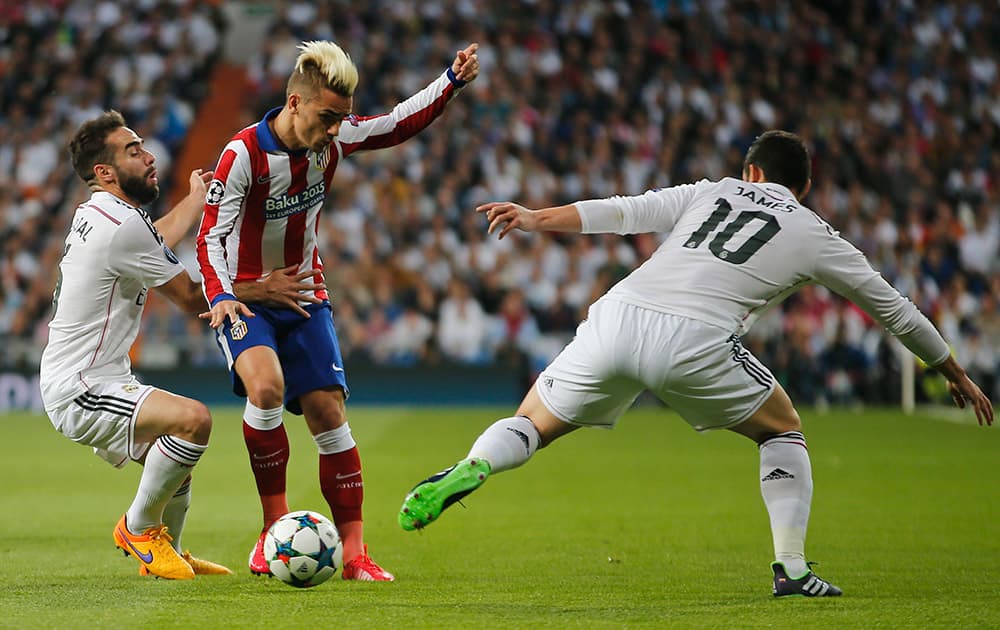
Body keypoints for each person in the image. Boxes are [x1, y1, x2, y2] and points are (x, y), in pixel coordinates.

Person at [398, 131, 994, 597]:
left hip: (618, 314)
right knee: (783, 428)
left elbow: (624, 211)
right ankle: (790, 568)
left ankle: (474, 465)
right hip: (697, 339)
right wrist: (951, 369)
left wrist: (535, 217)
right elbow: (893, 308)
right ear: (801, 188)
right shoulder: (815, 232)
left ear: (752, 173)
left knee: (533, 422)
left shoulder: (711, 191)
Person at [196, 39, 480, 581]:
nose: (335, 130)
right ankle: (271, 531)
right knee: (267, 388)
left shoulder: (335, 137)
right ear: (296, 103)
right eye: (328, 117)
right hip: (248, 298)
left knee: (329, 413)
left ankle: (355, 556)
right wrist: (230, 295)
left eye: (342, 119)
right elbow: (211, 238)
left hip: (304, 293)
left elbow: (396, 124)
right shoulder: (241, 155)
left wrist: (451, 81)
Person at [40, 110, 253, 580]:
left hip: (88, 377)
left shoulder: (101, 214)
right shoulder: (122, 225)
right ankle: (138, 529)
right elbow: (196, 298)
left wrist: (195, 202)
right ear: (105, 172)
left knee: (175, 455)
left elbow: (152, 239)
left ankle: (167, 550)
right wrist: (263, 286)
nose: (150, 156)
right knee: (193, 421)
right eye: (134, 151)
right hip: (80, 386)